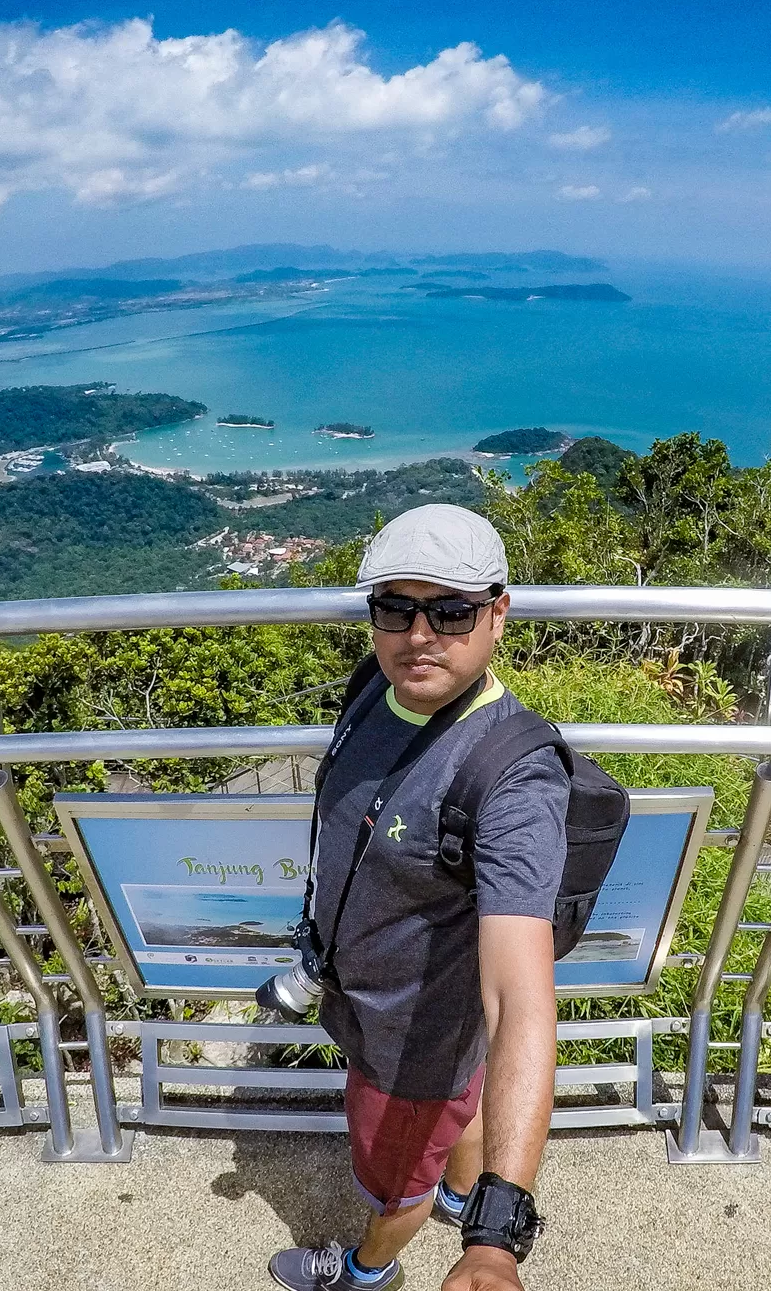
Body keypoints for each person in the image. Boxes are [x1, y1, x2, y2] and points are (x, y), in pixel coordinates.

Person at [269, 504, 569, 1291]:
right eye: (396, 608)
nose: (419, 634)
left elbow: (521, 998)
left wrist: (495, 1237)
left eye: (452, 610)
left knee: (394, 1181)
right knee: (456, 1108)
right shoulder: (377, 683)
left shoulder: (513, 778)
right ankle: (457, 1185)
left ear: (498, 614)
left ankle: (368, 1267)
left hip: (410, 1053)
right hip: (377, 1006)